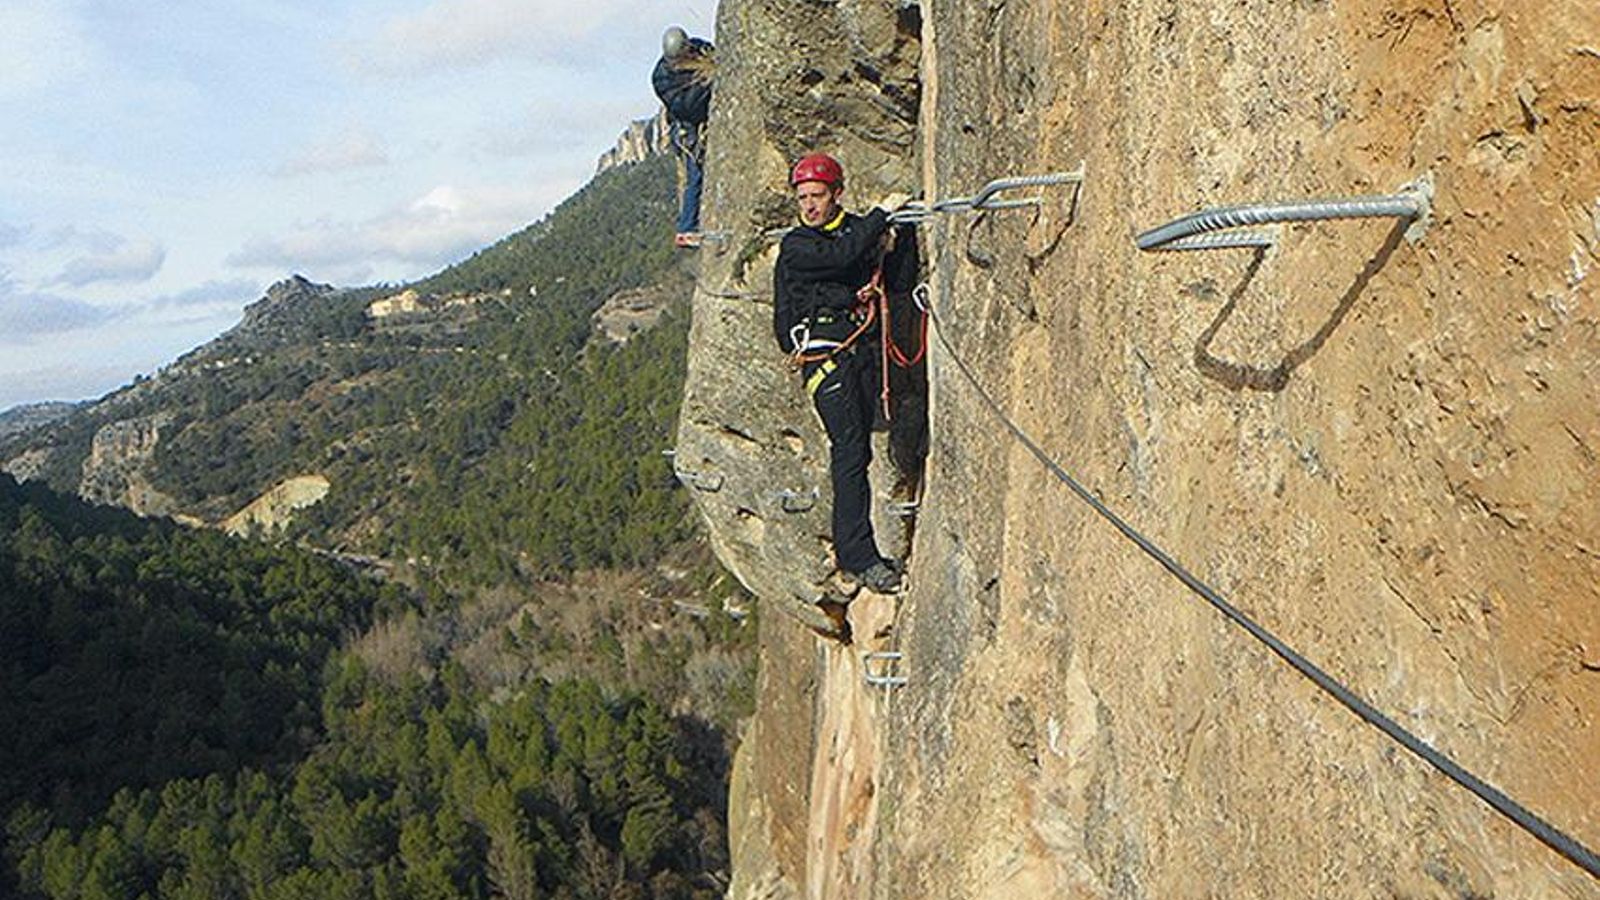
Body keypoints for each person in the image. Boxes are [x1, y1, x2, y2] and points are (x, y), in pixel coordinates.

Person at [773, 152, 915, 594]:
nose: (809, 205)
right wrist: (880, 218)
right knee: (851, 452)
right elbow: (839, 258)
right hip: (827, 362)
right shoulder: (798, 246)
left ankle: (867, 553)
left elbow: (893, 275)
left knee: (878, 441)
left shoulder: (858, 230)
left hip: (863, 353)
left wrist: (901, 234)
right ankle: (859, 557)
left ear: (837, 194)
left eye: (817, 196)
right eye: (803, 198)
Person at [651, 26, 714, 248]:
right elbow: (687, 108)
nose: (683, 60)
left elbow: (714, 54)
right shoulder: (662, 78)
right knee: (695, 174)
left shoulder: (698, 48)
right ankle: (686, 227)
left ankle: (688, 226)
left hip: (696, 121)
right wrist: (708, 84)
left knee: (698, 174)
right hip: (687, 128)